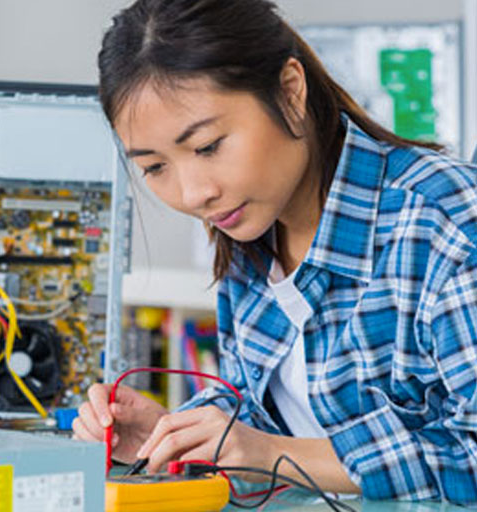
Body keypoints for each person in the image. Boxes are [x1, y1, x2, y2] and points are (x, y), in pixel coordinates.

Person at [72, 0, 477, 504]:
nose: (192, 192)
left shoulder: (449, 223)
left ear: (290, 91)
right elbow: (261, 424)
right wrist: (174, 440)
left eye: (207, 146)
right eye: (155, 168)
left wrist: (265, 452)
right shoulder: (248, 236)